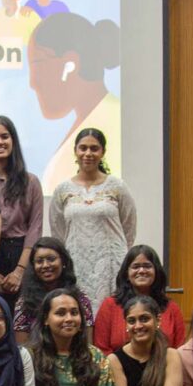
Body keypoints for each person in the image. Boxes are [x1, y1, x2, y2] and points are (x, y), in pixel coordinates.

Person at [28, 13, 122, 190]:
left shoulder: (116, 123)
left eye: (37, 64)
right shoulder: (98, 116)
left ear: (70, 65)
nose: (32, 82)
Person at [50, 128, 136, 313]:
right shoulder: (62, 189)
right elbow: (58, 233)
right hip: (77, 264)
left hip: (111, 265)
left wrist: (118, 257)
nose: (88, 153)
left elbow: (129, 226)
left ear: (102, 152)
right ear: (75, 151)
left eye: (94, 148)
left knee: (113, 314)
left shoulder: (117, 186)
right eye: (83, 148)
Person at [0, 116, 43, 309]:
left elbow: (35, 228)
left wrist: (20, 271)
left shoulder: (31, 182)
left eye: (4, 136)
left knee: (22, 315)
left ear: (13, 140)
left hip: (20, 254)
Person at [94, 245, 186, 354]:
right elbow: (101, 349)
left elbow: (179, 349)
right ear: (127, 273)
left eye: (147, 266)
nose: (142, 271)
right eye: (135, 266)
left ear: (156, 271)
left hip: (164, 368)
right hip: (117, 369)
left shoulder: (171, 308)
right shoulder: (110, 305)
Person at [13, 237, 94, 344]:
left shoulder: (80, 299)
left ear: (63, 261)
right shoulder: (25, 302)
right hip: (37, 358)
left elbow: (87, 345)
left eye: (51, 259)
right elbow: (22, 349)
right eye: (39, 261)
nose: (45, 265)